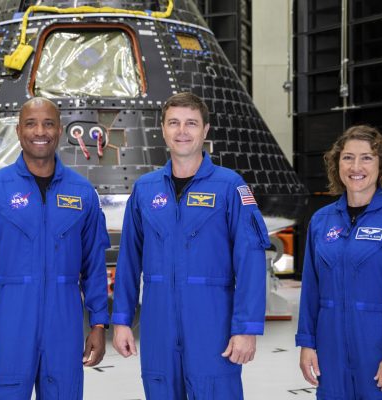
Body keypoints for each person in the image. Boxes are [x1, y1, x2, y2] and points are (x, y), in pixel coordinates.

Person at [111, 92, 270, 399]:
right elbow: (129, 260)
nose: (182, 131)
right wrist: (121, 321)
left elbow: (250, 261)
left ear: (205, 130)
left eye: (191, 123)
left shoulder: (230, 187)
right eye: (174, 123)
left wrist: (246, 328)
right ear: (163, 129)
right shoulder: (145, 190)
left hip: (212, 326)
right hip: (158, 327)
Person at [0, 97, 110, 399]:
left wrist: (98, 323)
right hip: (10, 322)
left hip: (64, 323)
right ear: (18, 130)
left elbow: (94, 264)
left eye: (48, 124)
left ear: (60, 130)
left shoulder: (82, 193)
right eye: (31, 124)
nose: (40, 131)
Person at [296, 125, 382, 399]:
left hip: (379, 350)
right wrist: (307, 343)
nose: (355, 167)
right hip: (330, 352)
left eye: (366, 158)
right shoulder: (321, 221)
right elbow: (310, 289)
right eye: (348, 157)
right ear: (337, 164)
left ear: (381, 165)